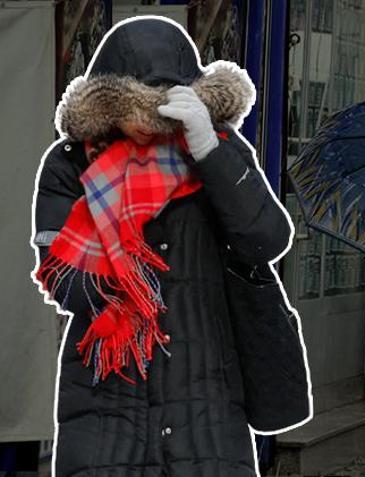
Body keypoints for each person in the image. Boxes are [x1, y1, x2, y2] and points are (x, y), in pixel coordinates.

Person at [31, 18, 293, 476]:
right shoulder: (71, 164)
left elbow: (267, 239)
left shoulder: (217, 151)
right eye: (136, 106)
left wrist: (209, 150)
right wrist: (128, 270)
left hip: (206, 401)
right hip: (106, 403)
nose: (150, 125)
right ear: (108, 105)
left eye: (161, 107)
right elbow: (63, 280)